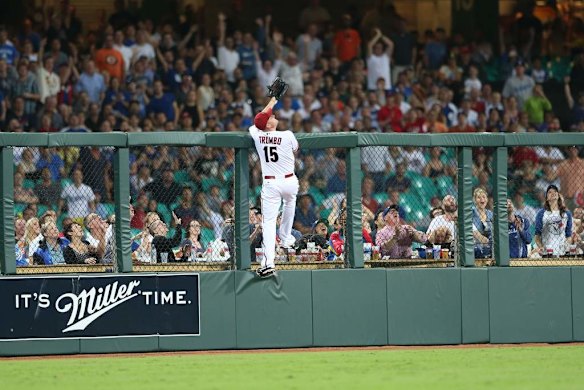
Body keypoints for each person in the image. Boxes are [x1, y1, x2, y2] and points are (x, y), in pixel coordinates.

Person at [249, 94, 299, 278]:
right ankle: (285, 239)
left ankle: (269, 262)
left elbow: (257, 122)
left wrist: (271, 102)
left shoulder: (255, 133)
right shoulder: (287, 135)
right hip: (288, 180)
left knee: (268, 222)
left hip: (270, 182)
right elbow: (296, 149)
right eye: (271, 116)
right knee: (289, 204)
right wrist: (272, 101)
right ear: (268, 124)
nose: (273, 116)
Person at [534, 185, 576, 257]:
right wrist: (541, 247)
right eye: (550, 192)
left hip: (562, 253)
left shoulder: (567, 214)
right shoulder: (541, 213)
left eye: (555, 191)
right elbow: (537, 235)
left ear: (558, 195)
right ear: (547, 198)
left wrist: (566, 246)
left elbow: (568, 235)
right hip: (547, 252)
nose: (553, 193)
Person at [472, 188, 493, 258]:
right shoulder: (471, 212)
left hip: (489, 247)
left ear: (487, 199)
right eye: (478, 197)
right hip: (474, 246)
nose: (482, 199)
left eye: (484, 197)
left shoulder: (490, 214)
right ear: (474, 200)